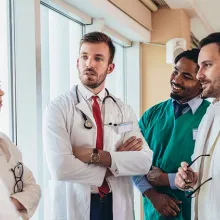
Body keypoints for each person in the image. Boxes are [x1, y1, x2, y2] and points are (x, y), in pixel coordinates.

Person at [43, 31, 153, 220]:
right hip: (76, 203)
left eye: (98, 58)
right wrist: (116, 165)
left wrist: (98, 156)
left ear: (110, 67)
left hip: (114, 203)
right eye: (84, 57)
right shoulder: (58, 108)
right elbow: (60, 167)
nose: (89, 64)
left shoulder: (123, 110)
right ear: (77, 62)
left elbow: (144, 161)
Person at [133, 49, 210, 220]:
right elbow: (131, 161)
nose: (176, 79)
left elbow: (213, 171)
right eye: (175, 71)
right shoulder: (152, 115)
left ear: (201, 82)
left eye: (187, 76)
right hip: (154, 213)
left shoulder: (211, 116)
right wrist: (153, 195)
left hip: (196, 212)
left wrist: (166, 179)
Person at [175, 33, 220, 220]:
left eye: (207, 65)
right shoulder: (210, 114)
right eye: (199, 66)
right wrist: (189, 178)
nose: (199, 74)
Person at [0, 85, 41, 219]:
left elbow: (33, 188)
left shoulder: (4, 140)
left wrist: (10, 204)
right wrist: (18, 203)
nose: (2, 92)